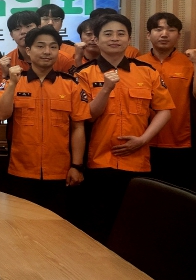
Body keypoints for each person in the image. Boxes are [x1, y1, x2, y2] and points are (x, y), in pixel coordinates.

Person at [75, 14, 174, 242]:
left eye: (121, 34)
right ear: (96, 39)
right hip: (98, 160)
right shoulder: (84, 73)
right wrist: (106, 89)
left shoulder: (147, 71)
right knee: (97, 223)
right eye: (108, 34)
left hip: (137, 159)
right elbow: (87, 116)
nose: (114, 38)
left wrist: (143, 140)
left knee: (133, 224)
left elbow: (165, 110)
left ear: (129, 39)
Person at [0, 26, 90, 217]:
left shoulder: (70, 84)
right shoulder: (12, 82)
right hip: (20, 170)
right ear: (28, 50)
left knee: (56, 225)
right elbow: (2, 114)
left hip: (60, 171)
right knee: (20, 224)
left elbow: (78, 127)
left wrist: (77, 166)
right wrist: (12, 84)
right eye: (40, 46)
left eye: (53, 47)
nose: (47, 51)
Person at [136, 13, 196, 188]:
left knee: (179, 193)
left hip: (181, 141)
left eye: (171, 30)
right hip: (143, 140)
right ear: (149, 34)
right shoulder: (137, 64)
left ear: (178, 35)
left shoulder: (188, 64)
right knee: (144, 191)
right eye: (158, 29)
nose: (164, 34)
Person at [0, 11, 74, 90]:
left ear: (39, 28)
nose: (23, 32)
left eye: (28, 26)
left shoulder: (64, 59)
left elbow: (73, 90)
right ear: (11, 35)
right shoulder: (4, 64)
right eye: (17, 29)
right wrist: (6, 76)